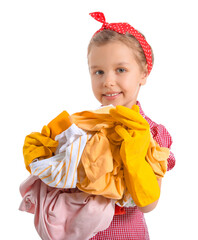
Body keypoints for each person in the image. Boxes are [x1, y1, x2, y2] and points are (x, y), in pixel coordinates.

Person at [19, 12, 175, 240]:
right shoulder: (80, 128)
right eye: (98, 72)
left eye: (120, 70)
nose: (107, 81)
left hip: (127, 235)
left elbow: (149, 204)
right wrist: (45, 158)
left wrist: (133, 157)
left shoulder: (152, 133)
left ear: (143, 73)